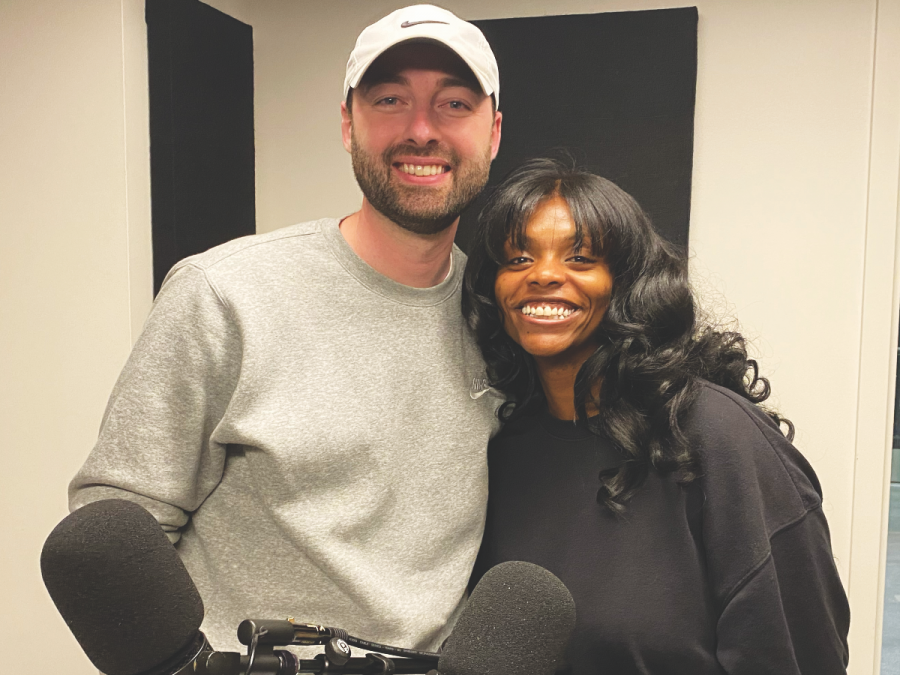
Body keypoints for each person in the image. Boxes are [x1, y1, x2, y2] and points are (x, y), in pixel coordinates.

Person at [69, 5, 503, 655]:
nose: (421, 129)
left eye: (454, 104)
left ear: (493, 133)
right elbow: (118, 533)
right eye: (389, 99)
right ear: (347, 123)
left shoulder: (498, 317)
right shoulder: (226, 294)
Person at [464, 158, 850, 674]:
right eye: (517, 259)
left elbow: (800, 657)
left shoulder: (716, 436)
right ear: (493, 288)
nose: (544, 275)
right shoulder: (504, 450)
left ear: (627, 284)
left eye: (580, 258)